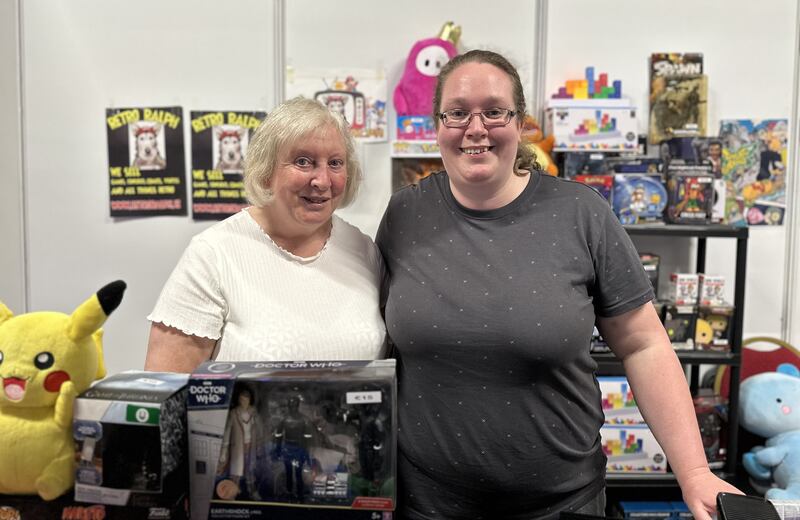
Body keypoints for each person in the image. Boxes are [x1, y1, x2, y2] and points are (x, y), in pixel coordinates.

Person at [375, 49, 742, 520]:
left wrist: (694, 473)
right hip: (427, 504)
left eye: (494, 110)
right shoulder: (405, 215)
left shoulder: (581, 214)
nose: (475, 127)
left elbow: (645, 345)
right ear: (437, 123)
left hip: (561, 504)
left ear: (521, 122)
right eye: (458, 112)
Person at [145, 97, 386, 371]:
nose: (322, 181)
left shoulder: (364, 250)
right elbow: (166, 389)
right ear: (266, 170)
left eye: (335, 163)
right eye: (303, 161)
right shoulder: (213, 254)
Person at [217, 386, 261, 500]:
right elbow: (227, 432)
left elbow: (260, 430)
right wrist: (224, 451)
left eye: (246, 399)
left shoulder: (254, 412)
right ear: (238, 400)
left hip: (250, 446)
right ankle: (232, 493)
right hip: (237, 448)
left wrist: (259, 446)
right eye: (241, 399)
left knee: (250, 470)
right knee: (235, 473)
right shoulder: (234, 413)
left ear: (250, 400)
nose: (244, 402)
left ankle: (252, 491)